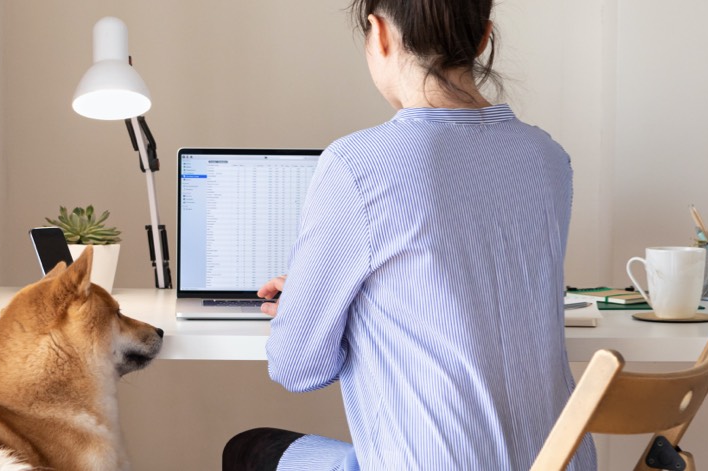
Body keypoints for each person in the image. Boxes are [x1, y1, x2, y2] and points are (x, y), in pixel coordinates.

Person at [221, 0, 597, 469]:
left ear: (379, 33)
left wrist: (321, 303)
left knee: (248, 450)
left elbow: (297, 366)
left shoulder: (358, 163)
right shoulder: (547, 158)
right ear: (484, 37)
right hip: (561, 461)